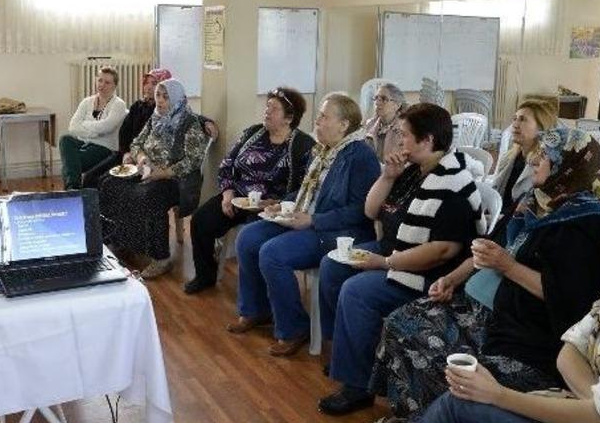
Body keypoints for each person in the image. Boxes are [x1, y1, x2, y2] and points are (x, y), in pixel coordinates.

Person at [371, 127, 600, 421]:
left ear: (569, 165)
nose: (534, 161)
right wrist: (451, 279)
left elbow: (571, 299)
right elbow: (489, 249)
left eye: (545, 156)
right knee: (401, 322)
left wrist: (508, 266)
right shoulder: (536, 201)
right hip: (486, 309)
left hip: (529, 333)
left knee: (441, 360)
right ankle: (415, 415)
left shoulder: (589, 223)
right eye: (537, 153)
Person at [419, 189, 600, 423]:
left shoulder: (587, 224)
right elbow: (568, 355)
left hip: (531, 352)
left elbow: (598, 414)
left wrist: (497, 395)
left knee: (456, 404)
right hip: (574, 401)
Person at [317, 103, 485, 416]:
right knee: (333, 265)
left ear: (428, 140)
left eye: (404, 135)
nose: (398, 141)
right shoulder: (411, 171)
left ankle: (358, 386)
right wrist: (387, 176)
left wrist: (384, 263)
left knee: (356, 292)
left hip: (425, 274)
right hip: (392, 250)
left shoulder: (452, 183)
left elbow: (443, 251)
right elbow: (370, 211)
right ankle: (347, 353)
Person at [226, 92, 381, 357]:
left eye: (323, 116)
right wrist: (279, 203)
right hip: (305, 218)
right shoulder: (322, 150)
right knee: (248, 238)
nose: (317, 121)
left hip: (336, 231)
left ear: (343, 125)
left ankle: (294, 327)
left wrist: (313, 220)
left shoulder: (360, 155)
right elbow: (306, 192)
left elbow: (361, 211)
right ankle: (256, 310)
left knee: (273, 253)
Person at [184, 87, 316, 294]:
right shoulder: (253, 132)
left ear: (289, 118)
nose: (267, 111)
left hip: (272, 209)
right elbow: (227, 163)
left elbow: (304, 188)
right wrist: (227, 193)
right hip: (238, 198)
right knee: (201, 220)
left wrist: (276, 204)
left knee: (251, 238)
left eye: (274, 109)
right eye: (267, 106)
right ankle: (205, 276)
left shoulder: (303, 145)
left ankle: (258, 294)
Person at [99, 78, 208, 278]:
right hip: (147, 169)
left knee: (149, 196)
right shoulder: (155, 117)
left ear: (176, 98)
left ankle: (161, 258)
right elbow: (136, 142)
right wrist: (141, 158)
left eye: (166, 96)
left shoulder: (189, 123)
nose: (160, 100)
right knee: (109, 182)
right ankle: (121, 239)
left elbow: (193, 161)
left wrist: (163, 173)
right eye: (158, 95)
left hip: (176, 179)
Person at [80, 68, 173, 188]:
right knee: (89, 178)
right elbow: (124, 133)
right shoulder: (137, 106)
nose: (148, 87)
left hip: (145, 162)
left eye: (154, 83)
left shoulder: (164, 111)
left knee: (106, 183)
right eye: (146, 83)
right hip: (126, 155)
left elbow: (157, 146)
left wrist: (137, 157)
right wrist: (125, 153)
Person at [489, 99, 559, 229]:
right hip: (497, 219)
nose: (515, 124)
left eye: (522, 119)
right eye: (514, 119)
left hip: (519, 225)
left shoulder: (543, 165)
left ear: (540, 128)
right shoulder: (508, 157)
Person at [59, 66, 127, 189]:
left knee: (69, 163)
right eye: (100, 80)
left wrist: (84, 124)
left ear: (114, 86)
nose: (102, 85)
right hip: (84, 144)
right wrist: (95, 133)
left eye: (107, 82)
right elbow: (73, 127)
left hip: (105, 149)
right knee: (65, 139)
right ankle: (74, 189)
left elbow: (107, 127)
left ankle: (72, 189)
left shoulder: (119, 104)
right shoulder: (87, 102)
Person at [363, 83, 408, 161]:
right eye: (376, 98)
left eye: (384, 99)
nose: (377, 103)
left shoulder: (405, 128)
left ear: (397, 105)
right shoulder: (368, 125)